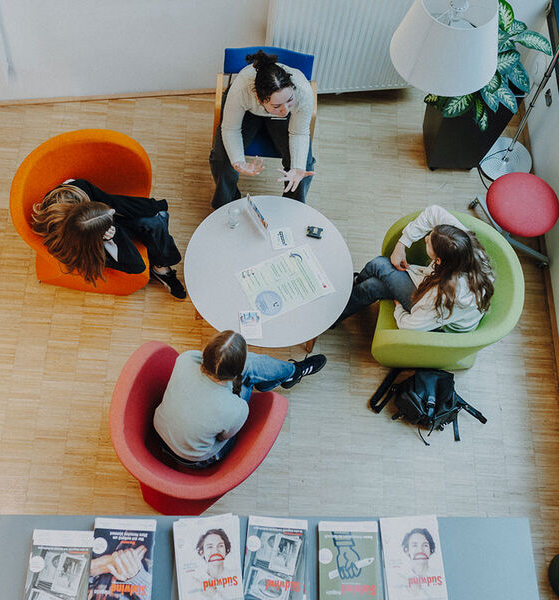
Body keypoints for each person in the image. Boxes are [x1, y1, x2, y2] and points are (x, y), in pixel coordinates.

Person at [153, 330, 327, 468]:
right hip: (195, 459)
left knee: (248, 366)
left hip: (159, 433)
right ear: (237, 371)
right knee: (250, 373)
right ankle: (292, 372)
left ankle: (289, 374)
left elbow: (214, 364)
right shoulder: (237, 408)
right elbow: (224, 437)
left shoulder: (185, 358)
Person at [334, 205, 495, 331]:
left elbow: (410, 326)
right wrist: (401, 245)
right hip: (430, 286)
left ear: (438, 260)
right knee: (374, 276)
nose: (426, 238)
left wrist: (399, 306)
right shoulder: (463, 245)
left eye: (429, 242)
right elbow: (433, 212)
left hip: (440, 322)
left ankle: (335, 311)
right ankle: (349, 292)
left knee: (376, 273)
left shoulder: (448, 295)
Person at [31, 178, 185, 298]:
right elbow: (136, 266)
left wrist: (155, 207)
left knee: (157, 218)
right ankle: (159, 265)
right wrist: (112, 238)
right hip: (96, 238)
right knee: (155, 221)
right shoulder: (71, 246)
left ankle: (161, 267)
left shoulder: (78, 190)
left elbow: (113, 203)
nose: (112, 212)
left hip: (97, 223)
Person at [209, 50, 316, 209]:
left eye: (289, 100)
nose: (285, 110)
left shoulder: (303, 92)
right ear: (259, 99)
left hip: (280, 118)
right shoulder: (241, 90)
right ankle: (226, 207)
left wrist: (298, 166)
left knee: (303, 167)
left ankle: (292, 209)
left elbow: (299, 133)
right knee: (222, 159)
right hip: (248, 112)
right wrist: (238, 161)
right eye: (277, 105)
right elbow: (230, 129)